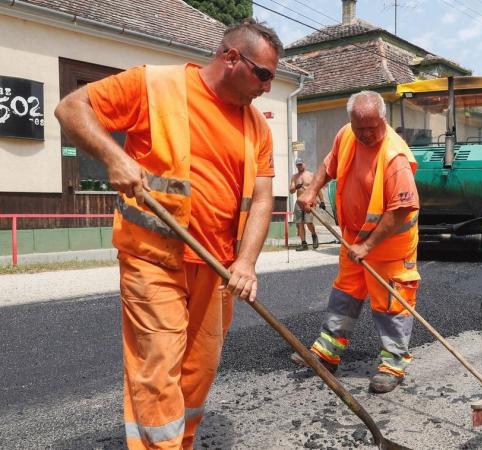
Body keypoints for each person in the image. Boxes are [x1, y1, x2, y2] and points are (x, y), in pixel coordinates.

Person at [54, 19, 282, 448]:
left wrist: (247, 263)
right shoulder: (155, 86)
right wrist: (114, 156)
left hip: (216, 270)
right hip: (153, 259)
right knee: (157, 367)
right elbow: (71, 108)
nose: (268, 87)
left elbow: (263, 198)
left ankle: (182, 441)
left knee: (198, 371)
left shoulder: (257, 127)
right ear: (231, 58)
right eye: (264, 74)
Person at [292, 90, 421, 394]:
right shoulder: (346, 135)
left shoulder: (395, 157)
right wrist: (311, 189)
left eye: (372, 128)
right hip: (354, 238)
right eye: (359, 127)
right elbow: (329, 164)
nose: (365, 134)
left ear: (383, 120)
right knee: (345, 293)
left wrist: (368, 246)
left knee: (392, 305)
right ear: (350, 121)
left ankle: (393, 365)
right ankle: (327, 353)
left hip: (389, 246)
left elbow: (401, 210)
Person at [289, 157, 326, 251]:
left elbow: (317, 188)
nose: (299, 166)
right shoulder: (294, 177)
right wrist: (295, 187)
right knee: (300, 223)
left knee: (308, 222)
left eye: (301, 164)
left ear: (304, 164)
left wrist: (322, 201)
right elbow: (291, 191)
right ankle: (303, 243)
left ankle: (314, 235)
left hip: (309, 201)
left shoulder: (310, 175)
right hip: (299, 202)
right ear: (296, 166)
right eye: (298, 165)